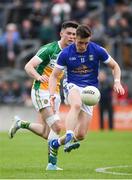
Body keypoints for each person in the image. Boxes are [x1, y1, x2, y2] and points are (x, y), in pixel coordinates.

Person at [8, 21, 79, 170]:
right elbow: (28, 66)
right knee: (57, 127)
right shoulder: (50, 49)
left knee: (47, 132)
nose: (72, 37)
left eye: (74, 34)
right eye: (69, 33)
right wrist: (38, 77)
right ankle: (52, 165)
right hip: (41, 90)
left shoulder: (73, 52)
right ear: (61, 33)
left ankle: (21, 124)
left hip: (55, 93)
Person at [48, 24, 125, 155]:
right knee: (76, 104)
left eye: (86, 43)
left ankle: (55, 144)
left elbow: (115, 66)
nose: (83, 46)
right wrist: (51, 94)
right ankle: (69, 134)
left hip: (90, 91)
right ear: (75, 38)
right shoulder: (65, 53)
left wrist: (117, 82)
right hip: (72, 85)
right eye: (80, 42)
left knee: (81, 135)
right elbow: (54, 76)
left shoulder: (97, 50)